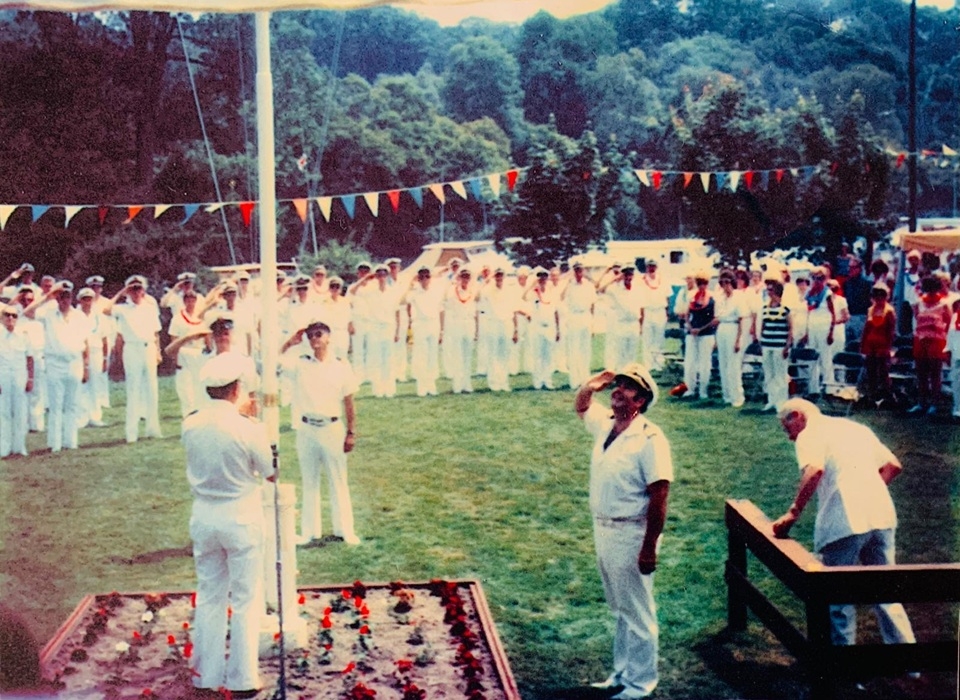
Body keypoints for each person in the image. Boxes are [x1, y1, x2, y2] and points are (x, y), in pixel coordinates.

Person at [771, 398, 917, 649]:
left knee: (838, 597)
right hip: (881, 515)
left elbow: (814, 471)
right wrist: (867, 492)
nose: (790, 438)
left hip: (843, 521)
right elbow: (893, 466)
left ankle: (843, 666)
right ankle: (909, 660)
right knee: (886, 593)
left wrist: (793, 512)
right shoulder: (855, 428)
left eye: (788, 429)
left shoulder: (809, 434)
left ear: (797, 416)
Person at [575, 363, 672, 700]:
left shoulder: (650, 438)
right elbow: (582, 405)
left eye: (628, 387)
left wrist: (649, 547)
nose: (618, 390)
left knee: (637, 611)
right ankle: (621, 674)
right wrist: (592, 383)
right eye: (618, 385)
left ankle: (641, 683)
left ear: (641, 399)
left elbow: (660, 496)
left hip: (632, 533)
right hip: (604, 529)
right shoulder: (608, 426)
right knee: (620, 609)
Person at [183, 352, 274, 695]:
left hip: (205, 515)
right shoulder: (248, 427)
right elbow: (271, 473)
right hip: (239, 516)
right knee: (247, 598)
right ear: (236, 388)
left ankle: (206, 675)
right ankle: (243, 679)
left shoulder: (190, 423)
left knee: (210, 595)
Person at [281, 320, 360, 545]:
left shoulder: (341, 365)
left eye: (318, 334)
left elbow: (349, 401)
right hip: (306, 429)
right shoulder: (299, 364)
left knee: (338, 481)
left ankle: (345, 530)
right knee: (309, 481)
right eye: (310, 336)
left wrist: (351, 432)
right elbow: (273, 363)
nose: (314, 339)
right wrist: (289, 342)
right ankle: (309, 532)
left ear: (328, 337)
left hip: (332, 428)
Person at [24, 281, 90, 453]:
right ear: (57, 298)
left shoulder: (80, 316)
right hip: (54, 363)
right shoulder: (48, 314)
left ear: (72, 298)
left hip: (75, 362)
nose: (64, 300)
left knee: (72, 404)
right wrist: (48, 296)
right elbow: (27, 312)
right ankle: (55, 444)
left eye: (67, 296)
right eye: (61, 296)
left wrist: (87, 365)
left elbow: (85, 342)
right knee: (55, 405)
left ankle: (71, 442)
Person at [103, 275, 162, 443]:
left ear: (143, 290)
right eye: (133, 289)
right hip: (132, 348)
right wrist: (122, 292)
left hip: (148, 347)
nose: (136, 292)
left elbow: (156, 332)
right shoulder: (122, 308)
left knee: (152, 389)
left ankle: (153, 429)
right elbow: (106, 309)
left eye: (139, 288)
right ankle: (131, 433)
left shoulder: (150, 308)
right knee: (133, 390)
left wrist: (157, 351)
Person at [909, 275, 951, 415]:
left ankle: (935, 403)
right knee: (921, 373)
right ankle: (921, 403)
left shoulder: (944, 304)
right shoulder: (918, 303)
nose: (930, 292)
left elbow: (948, 323)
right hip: (921, 341)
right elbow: (916, 319)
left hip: (936, 342)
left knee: (935, 374)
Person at [401, 266, 443, 396]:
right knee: (421, 355)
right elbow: (402, 301)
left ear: (430, 278)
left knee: (432, 355)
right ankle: (422, 386)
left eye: (427, 276)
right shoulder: (414, 292)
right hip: (420, 324)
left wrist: (441, 330)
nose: (424, 279)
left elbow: (441, 310)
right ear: (418, 278)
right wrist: (410, 284)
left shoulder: (436, 291)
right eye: (422, 277)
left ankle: (431, 385)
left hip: (433, 324)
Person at [0, 304, 34, 458]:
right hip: (3, 376)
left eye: (14, 316)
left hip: (20, 375)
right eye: (7, 315)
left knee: (20, 411)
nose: (10, 318)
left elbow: (30, 358)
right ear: (2, 317)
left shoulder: (24, 335)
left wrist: (31, 378)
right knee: (3, 412)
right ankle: (4, 447)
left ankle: (19, 447)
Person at [711, 269, 748, 407]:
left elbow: (741, 319)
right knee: (723, 364)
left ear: (732, 282)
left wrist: (739, 340)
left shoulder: (738, 297)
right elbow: (717, 318)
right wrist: (715, 339)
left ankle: (737, 397)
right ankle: (726, 395)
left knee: (734, 365)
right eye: (723, 282)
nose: (725, 285)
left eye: (728, 282)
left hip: (733, 328)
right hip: (722, 329)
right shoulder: (720, 299)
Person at [522, 267, 561, 390]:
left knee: (549, 355)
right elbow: (523, 297)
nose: (542, 279)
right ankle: (538, 382)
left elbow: (556, 312)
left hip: (549, 327)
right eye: (540, 277)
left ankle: (548, 381)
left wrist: (558, 329)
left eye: (544, 277)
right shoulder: (534, 292)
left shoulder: (552, 292)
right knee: (538, 355)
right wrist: (533, 284)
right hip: (537, 327)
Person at [758, 279, 793, 412]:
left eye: (771, 290)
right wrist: (761, 343)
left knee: (780, 374)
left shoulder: (785, 309)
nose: (768, 292)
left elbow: (790, 329)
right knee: (769, 374)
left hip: (780, 346)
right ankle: (771, 401)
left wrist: (787, 346)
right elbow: (763, 326)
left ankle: (781, 402)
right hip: (767, 345)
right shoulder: (765, 308)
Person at [860, 285, 897, 407]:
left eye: (882, 295)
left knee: (883, 372)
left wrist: (887, 348)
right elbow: (866, 329)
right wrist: (863, 345)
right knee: (871, 372)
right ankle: (871, 396)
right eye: (876, 295)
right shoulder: (870, 310)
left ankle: (888, 397)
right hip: (870, 345)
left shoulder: (889, 311)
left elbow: (891, 331)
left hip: (883, 345)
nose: (879, 298)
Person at [562, 260, 596, 388]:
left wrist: (592, 324)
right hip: (574, 316)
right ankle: (575, 380)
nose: (578, 272)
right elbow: (561, 297)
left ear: (583, 270)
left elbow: (593, 305)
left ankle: (585, 378)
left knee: (585, 350)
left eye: (580, 270)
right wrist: (567, 281)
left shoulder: (589, 285)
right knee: (574, 349)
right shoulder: (569, 285)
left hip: (586, 316)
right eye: (576, 270)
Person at [684, 272, 716, 400]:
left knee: (705, 363)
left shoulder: (713, 297)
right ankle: (690, 389)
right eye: (699, 283)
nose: (702, 285)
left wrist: (701, 329)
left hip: (706, 334)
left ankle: (703, 390)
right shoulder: (691, 296)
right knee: (690, 362)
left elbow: (714, 319)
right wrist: (691, 328)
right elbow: (686, 314)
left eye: (704, 283)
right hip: (692, 333)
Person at [843, 258, 872, 342]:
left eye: (853, 267)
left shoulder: (867, 283)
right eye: (849, 267)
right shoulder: (847, 283)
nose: (850, 270)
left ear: (859, 269)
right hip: (849, 317)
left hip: (861, 317)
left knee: (859, 343)